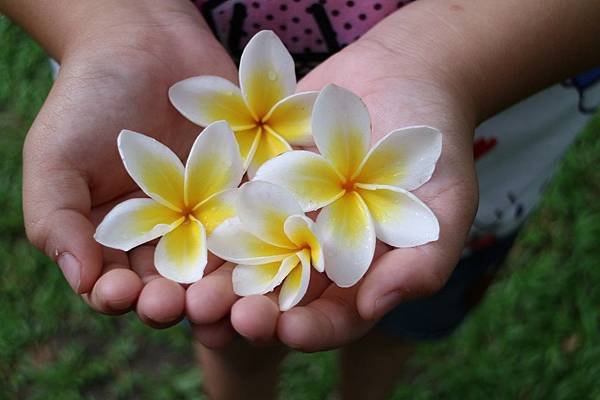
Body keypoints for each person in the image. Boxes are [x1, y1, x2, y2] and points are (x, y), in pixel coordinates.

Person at [2, 0, 599, 398]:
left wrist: (445, 60)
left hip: (497, 96)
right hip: (232, 120)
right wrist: (113, 19)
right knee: (236, 328)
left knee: (395, 311)